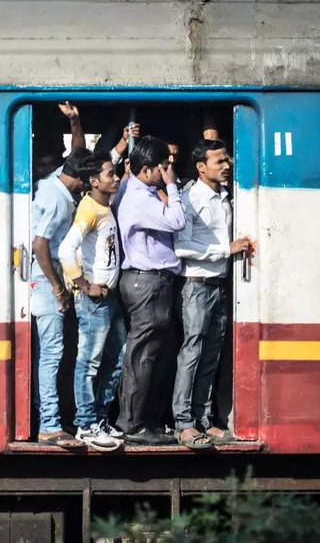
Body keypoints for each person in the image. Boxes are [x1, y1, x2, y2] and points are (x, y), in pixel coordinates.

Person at [172, 139, 251, 449]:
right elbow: (181, 247)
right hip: (196, 285)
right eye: (219, 161)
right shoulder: (191, 199)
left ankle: (203, 419)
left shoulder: (223, 196)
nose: (227, 165)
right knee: (192, 353)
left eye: (226, 160)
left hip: (217, 285)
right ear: (201, 167)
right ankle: (183, 423)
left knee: (211, 354)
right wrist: (225, 250)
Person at [114, 136, 185, 445]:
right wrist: (171, 187)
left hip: (145, 281)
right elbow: (178, 221)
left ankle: (142, 421)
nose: (168, 171)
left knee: (147, 355)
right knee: (143, 357)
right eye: (163, 167)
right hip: (149, 282)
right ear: (146, 170)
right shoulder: (141, 199)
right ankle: (134, 425)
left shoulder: (131, 189)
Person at [57, 157, 126, 451]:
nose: (116, 177)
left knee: (116, 356)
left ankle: (99, 419)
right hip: (94, 300)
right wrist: (83, 285)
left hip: (108, 297)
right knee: (90, 362)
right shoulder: (88, 210)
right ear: (94, 181)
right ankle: (85, 425)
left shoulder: (103, 206)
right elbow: (65, 249)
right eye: (110, 174)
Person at [30, 147, 94, 448]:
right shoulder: (57, 200)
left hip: (48, 278)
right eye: (88, 180)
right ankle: (49, 425)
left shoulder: (55, 181)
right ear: (80, 178)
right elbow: (40, 244)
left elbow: (77, 153)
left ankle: (50, 418)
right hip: (45, 280)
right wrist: (57, 287)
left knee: (51, 352)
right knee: (52, 354)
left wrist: (75, 122)